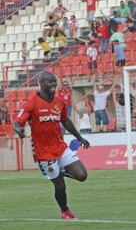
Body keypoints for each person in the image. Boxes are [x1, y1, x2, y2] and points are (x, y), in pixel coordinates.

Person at [13, 72, 90, 220]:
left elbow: (66, 121)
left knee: (82, 175)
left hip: (60, 147)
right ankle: (65, 211)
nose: (54, 85)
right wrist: (19, 131)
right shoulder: (31, 104)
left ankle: (60, 171)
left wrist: (80, 138)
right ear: (41, 83)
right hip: (43, 153)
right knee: (59, 185)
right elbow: (17, 123)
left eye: (55, 82)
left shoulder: (59, 102)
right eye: (50, 82)